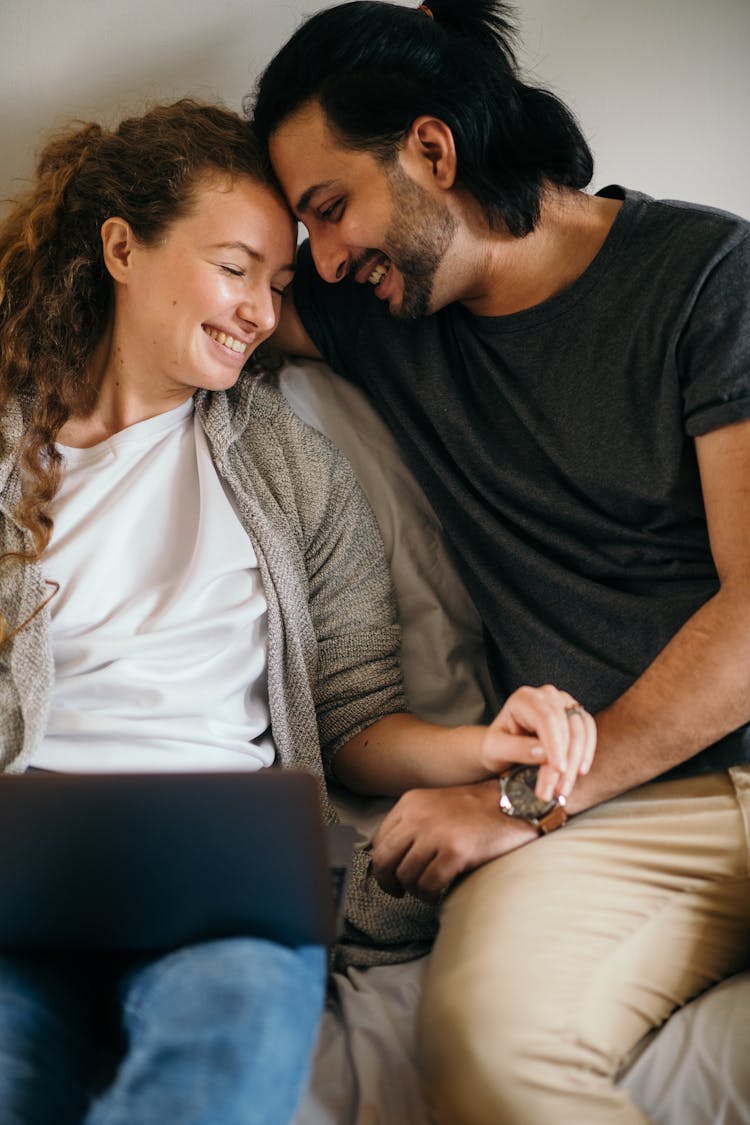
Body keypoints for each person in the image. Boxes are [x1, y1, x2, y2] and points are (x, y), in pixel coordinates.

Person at [0, 97, 592, 1125]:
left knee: (215, 1077)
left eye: (277, 286)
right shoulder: (11, 452)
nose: (261, 314)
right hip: (19, 884)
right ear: (121, 248)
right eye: (234, 270)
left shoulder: (293, 471)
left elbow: (356, 721)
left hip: (220, 904)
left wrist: (479, 743)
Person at [251, 1, 750, 1122]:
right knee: (483, 1051)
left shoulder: (708, 272)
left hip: (583, 783)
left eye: (330, 209)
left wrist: (516, 802)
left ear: (433, 148)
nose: (320, 256)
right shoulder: (376, 312)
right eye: (304, 229)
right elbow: (184, 295)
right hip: (620, 819)